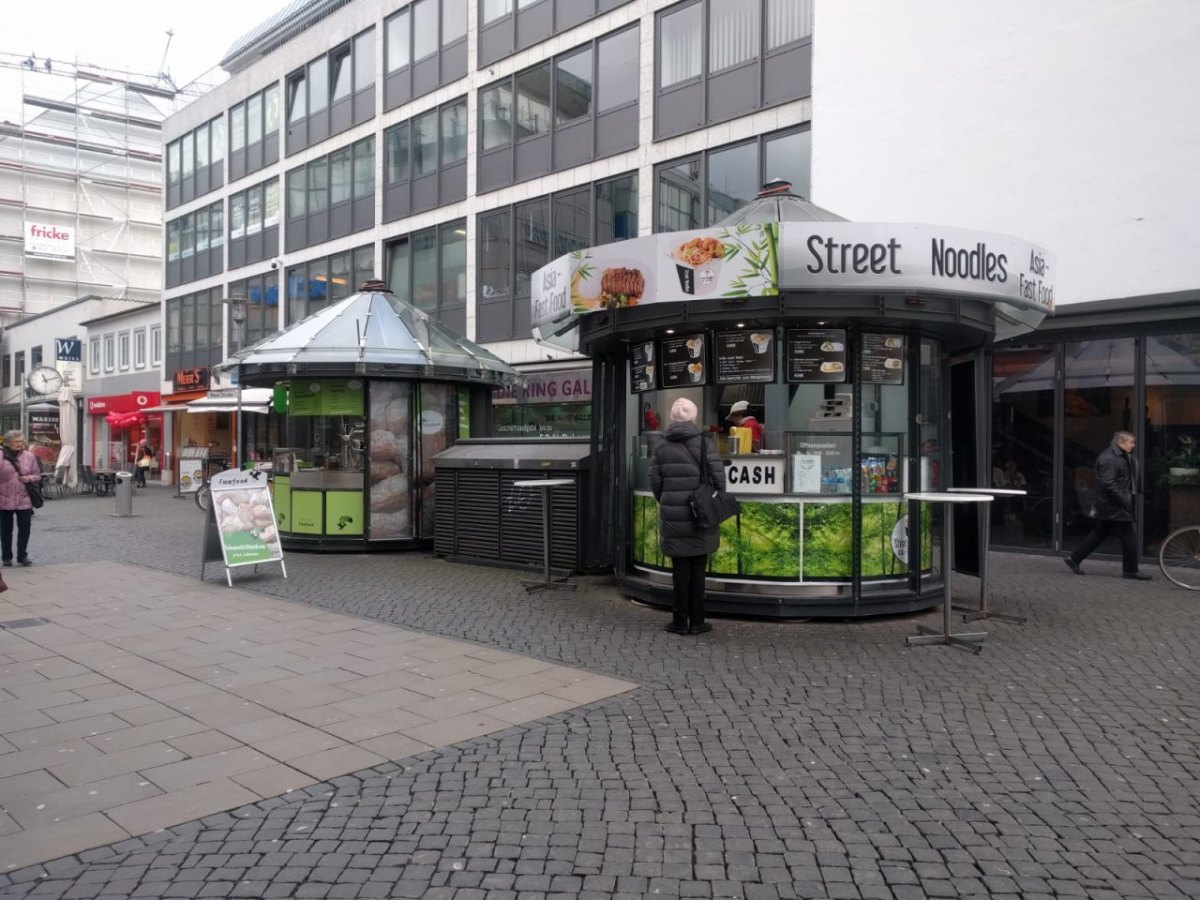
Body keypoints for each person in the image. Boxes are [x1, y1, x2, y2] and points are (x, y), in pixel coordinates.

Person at [650, 397, 726, 635]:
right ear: (693, 418)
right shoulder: (705, 444)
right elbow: (719, 481)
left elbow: (655, 483)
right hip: (700, 516)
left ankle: (679, 621)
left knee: (680, 570)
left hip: (674, 517)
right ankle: (698, 621)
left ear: (672, 418)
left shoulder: (661, 446)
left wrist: (669, 500)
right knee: (698, 569)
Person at [1064, 431, 1151, 579]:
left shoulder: (1119, 456)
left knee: (1099, 534)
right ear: (1120, 442)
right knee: (1129, 537)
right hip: (1114, 507)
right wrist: (1125, 500)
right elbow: (1108, 483)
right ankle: (1130, 570)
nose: (1133, 445)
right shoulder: (1110, 459)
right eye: (1131, 442)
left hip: (1109, 506)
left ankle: (1074, 558)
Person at [0, 430, 41, 567]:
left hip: (24, 499)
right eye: (15, 442)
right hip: (4, 499)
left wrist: (28, 478)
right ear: (7, 443)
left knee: (25, 528)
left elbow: (37, 475)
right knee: (6, 530)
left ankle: (22, 555)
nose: (19, 444)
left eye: (20, 441)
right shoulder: (1, 456)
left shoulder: (29, 456)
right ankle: (6, 556)